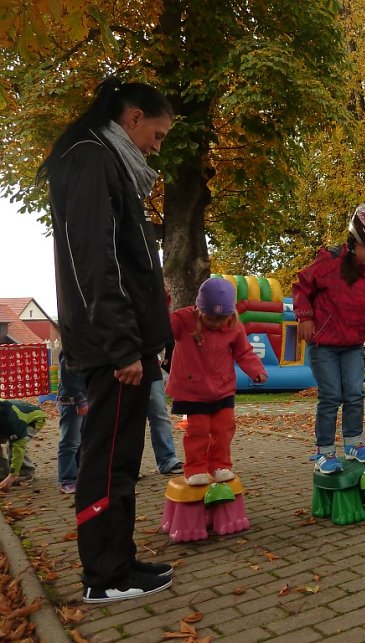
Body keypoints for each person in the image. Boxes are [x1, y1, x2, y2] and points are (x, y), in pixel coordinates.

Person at [39, 76, 176, 603]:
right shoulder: (91, 159)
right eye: (157, 135)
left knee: (121, 458)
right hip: (110, 345)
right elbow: (95, 260)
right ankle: (103, 574)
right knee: (106, 458)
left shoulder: (106, 159)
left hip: (125, 340)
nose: (156, 148)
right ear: (133, 117)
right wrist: (122, 345)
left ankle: (120, 559)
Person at [292, 202, 365, 474]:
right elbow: (301, 287)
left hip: (352, 345)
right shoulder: (328, 262)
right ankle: (324, 451)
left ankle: (353, 443)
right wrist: (305, 316)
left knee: (354, 395)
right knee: (331, 397)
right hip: (324, 345)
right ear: (355, 240)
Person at [166, 278, 267, 486]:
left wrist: (256, 370)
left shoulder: (234, 326)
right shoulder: (183, 320)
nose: (216, 323)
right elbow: (160, 327)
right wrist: (163, 301)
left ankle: (220, 464)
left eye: (222, 318)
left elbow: (244, 351)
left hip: (223, 387)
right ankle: (195, 468)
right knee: (199, 430)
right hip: (193, 389)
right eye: (211, 318)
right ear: (199, 309)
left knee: (225, 427)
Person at [57, 351, 88, 494]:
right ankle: (67, 479)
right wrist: (80, 398)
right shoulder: (74, 345)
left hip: (84, 398)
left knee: (82, 440)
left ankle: (79, 475)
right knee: (70, 441)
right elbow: (67, 375)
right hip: (71, 400)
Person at [0, 400, 47, 491]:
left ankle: (25, 472)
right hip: (12, 416)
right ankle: (3, 473)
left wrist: (12, 476)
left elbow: (18, 447)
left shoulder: (12, 422)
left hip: (34, 419)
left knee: (13, 444)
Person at [147, 375, 183, 475]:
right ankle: (130, 465)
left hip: (150, 367)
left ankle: (167, 459)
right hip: (123, 366)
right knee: (130, 417)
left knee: (159, 412)